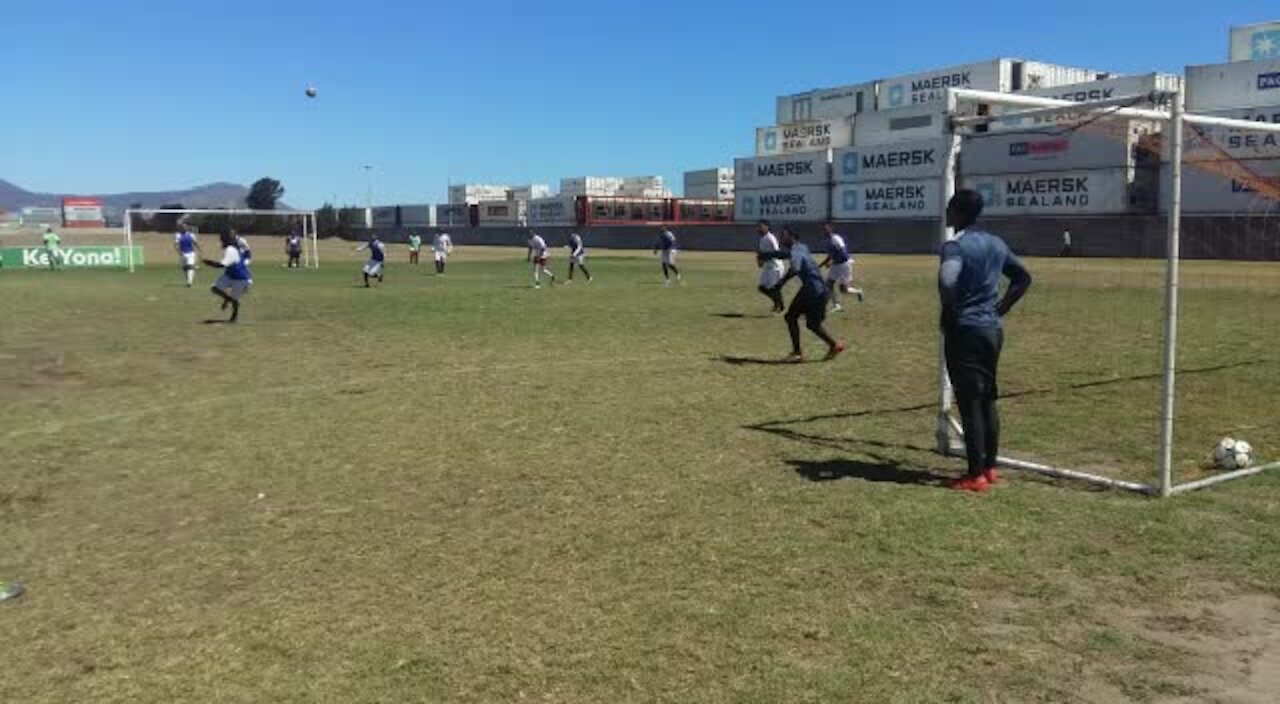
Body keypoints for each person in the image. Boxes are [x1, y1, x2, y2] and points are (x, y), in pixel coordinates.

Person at [938, 189, 1033, 493]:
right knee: (988, 398)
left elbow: (948, 280)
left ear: (959, 212)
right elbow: (1022, 278)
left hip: (965, 330)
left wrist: (949, 312)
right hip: (992, 330)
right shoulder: (996, 243)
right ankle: (990, 467)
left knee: (970, 402)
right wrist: (1001, 308)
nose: (947, 214)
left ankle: (974, 475)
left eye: (950, 209)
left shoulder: (955, 245)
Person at [768, 226, 845, 363]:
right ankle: (834, 345)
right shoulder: (803, 247)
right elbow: (789, 256)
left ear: (792, 237)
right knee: (812, 324)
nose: (781, 238)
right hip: (822, 290)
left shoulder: (795, 251)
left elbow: (794, 269)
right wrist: (771, 255)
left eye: (784, 235)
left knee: (790, 317)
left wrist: (780, 284)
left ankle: (797, 353)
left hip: (811, 289)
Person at [202, 231, 253, 323]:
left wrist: (209, 262)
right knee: (215, 288)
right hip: (229, 275)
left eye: (222, 240)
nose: (221, 243)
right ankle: (228, 299)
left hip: (240, 278)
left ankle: (234, 317)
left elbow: (222, 265)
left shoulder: (231, 250)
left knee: (234, 300)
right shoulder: (230, 249)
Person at [818, 222, 864, 312]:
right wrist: (821, 265)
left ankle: (859, 292)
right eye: (823, 230)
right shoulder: (827, 241)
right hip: (836, 265)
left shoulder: (836, 239)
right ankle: (837, 305)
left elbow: (842, 253)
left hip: (844, 265)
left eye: (826, 229)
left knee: (844, 290)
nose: (824, 231)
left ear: (830, 229)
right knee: (828, 285)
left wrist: (831, 262)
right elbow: (830, 255)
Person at [755, 220, 786, 313]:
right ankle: (777, 302)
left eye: (761, 226)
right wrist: (760, 261)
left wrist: (766, 256)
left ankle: (781, 305)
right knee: (762, 288)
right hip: (767, 267)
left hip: (775, 267)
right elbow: (761, 253)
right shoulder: (762, 239)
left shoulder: (770, 238)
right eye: (758, 226)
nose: (759, 228)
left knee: (774, 288)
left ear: (767, 227)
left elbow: (777, 252)